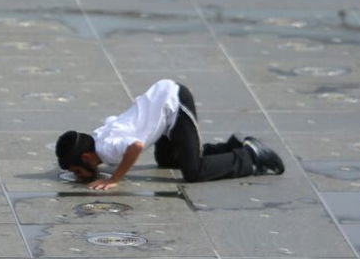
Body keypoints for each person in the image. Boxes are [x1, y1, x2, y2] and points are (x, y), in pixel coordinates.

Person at [55, 78, 284, 191]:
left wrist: (115, 178)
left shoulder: (106, 149)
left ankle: (249, 156)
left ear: (86, 157)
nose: (79, 176)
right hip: (162, 110)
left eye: (77, 171)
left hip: (174, 105)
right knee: (167, 161)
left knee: (193, 172)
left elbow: (135, 146)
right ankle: (230, 146)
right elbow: (112, 122)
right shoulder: (98, 137)